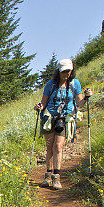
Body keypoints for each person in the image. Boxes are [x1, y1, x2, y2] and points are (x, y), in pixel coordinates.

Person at [34, 58, 92, 189]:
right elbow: (43, 102)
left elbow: (79, 103)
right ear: (58, 72)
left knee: (58, 146)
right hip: (49, 117)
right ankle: (47, 176)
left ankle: (56, 177)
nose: (66, 74)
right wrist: (38, 107)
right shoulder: (50, 84)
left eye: (68, 71)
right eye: (63, 72)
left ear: (72, 71)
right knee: (49, 147)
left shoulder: (75, 83)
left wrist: (87, 97)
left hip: (65, 118)